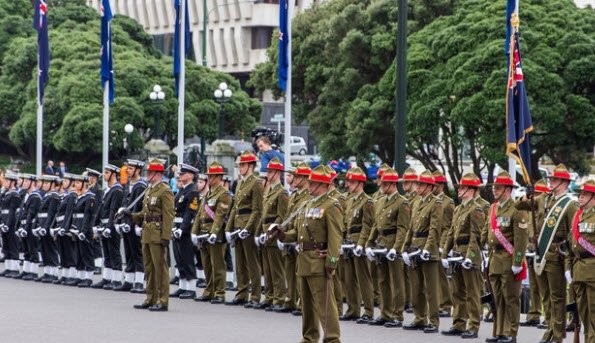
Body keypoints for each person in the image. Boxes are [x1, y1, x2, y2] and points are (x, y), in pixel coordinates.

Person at [274, 165, 342, 343]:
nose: (309, 186)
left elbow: (335, 238)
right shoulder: (308, 203)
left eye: (314, 184)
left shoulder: (331, 205)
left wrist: (331, 262)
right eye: (310, 183)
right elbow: (298, 234)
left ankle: (332, 339)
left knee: (326, 306)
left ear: (324, 185)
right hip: (303, 261)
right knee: (307, 307)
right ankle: (309, 338)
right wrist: (282, 235)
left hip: (319, 262)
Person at [534, 164, 579, 343]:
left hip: (557, 255)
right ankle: (550, 329)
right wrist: (530, 192)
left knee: (557, 296)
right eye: (551, 179)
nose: (551, 182)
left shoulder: (569, 204)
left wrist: (569, 258)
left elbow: (573, 233)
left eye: (554, 179)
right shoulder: (546, 200)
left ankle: (557, 334)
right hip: (542, 253)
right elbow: (524, 203)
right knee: (545, 296)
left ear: (564, 182)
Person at [483, 171, 529, 343]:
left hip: (509, 260)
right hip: (495, 259)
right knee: (498, 299)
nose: (495, 190)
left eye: (499, 188)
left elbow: (521, 239)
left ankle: (511, 333)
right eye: (495, 187)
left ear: (508, 190)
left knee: (511, 298)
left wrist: (517, 261)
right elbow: (488, 233)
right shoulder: (493, 208)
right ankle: (500, 331)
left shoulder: (517, 209)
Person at [440, 173, 485, 339]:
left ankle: (473, 325)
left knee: (472, 293)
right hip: (457, 253)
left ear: (472, 190)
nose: (460, 190)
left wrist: (471, 256)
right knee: (457, 291)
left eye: (464, 187)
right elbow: (451, 233)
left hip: (468, 255)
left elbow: (476, 236)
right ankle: (458, 323)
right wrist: (445, 253)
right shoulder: (459, 208)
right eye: (460, 187)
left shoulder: (476, 209)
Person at [128, 159, 175, 311]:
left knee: (160, 268)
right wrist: (131, 215)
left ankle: (162, 300)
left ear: (157, 174)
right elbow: (145, 213)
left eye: (149, 172)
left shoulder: (165, 190)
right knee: (149, 268)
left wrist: (166, 237)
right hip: (147, 233)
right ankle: (150, 297)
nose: (147, 175)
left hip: (158, 234)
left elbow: (168, 215)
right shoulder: (149, 190)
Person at [366, 167, 410, 328]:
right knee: (383, 280)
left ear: (392, 184)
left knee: (396, 282)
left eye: (384, 184)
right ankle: (385, 313)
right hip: (382, 243)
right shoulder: (380, 201)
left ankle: (397, 315)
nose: (381, 186)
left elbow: (402, 228)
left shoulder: (402, 202)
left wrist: (397, 248)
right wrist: (369, 244)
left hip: (392, 245)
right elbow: (376, 225)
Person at [401, 170, 443, 333]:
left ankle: (433, 321)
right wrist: (405, 248)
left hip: (427, 249)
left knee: (431, 288)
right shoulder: (417, 202)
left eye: (421, 184)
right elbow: (411, 228)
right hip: (414, 247)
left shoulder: (436, 203)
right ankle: (420, 318)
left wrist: (427, 249)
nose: (417, 187)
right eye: (417, 184)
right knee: (416, 286)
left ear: (429, 187)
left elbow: (434, 229)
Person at [224, 151, 263, 307]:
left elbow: (257, 210)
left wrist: (248, 227)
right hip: (238, 225)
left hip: (249, 226)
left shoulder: (257, 183)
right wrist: (229, 228)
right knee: (240, 262)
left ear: (251, 166)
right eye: (240, 165)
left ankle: (255, 296)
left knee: (252, 262)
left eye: (243, 165)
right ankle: (242, 293)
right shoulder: (240, 183)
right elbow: (235, 208)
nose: (240, 168)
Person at [192, 161, 232, 304]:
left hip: (216, 234)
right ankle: (209, 291)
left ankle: (219, 292)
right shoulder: (208, 193)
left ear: (219, 177)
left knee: (218, 265)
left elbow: (220, 215)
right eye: (209, 176)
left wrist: (214, 232)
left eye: (212, 176)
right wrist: (194, 232)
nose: (209, 178)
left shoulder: (224, 193)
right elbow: (199, 214)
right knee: (207, 265)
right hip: (204, 232)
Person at [340, 167, 375, 323]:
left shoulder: (367, 201)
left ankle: (368, 311)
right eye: (348, 181)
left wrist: (361, 244)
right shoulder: (348, 200)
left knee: (363, 279)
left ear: (360, 183)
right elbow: (344, 223)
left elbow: (367, 225)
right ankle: (353, 309)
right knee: (349, 278)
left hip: (358, 242)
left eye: (352, 182)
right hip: (348, 242)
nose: (348, 185)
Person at [255, 157, 288, 311]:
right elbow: (263, 215)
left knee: (276, 269)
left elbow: (281, 217)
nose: (268, 174)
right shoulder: (269, 191)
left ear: (277, 173)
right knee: (267, 269)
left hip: (273, 234)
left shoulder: (282, 192)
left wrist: (271, 233)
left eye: (270, 171)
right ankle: (269, 296)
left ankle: (279, 298)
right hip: (265, 232)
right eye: (267, 171)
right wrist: (259, 232)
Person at [279, 162, 311, 314]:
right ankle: (290, 299)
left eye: (297, 176)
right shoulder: (294, 195)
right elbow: (287, 216)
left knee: (300, 272)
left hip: (299, 236)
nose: (294, 179)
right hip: (289, 235)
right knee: (289, 271)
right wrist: (282, 233)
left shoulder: (309, 196)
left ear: (305, 179)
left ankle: (301, 302)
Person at [568, 179, 595, 343]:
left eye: (585, 194)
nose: (581, 196)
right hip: (578, 269)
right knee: (583, 313)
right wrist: (567, 268)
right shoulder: (578, 215)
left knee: (594, 313)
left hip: (592, 270)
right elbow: (571, 244)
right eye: (580, 193)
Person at [520, 178, 549, 328]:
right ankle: (534, 314)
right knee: (533, 284)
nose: (535, 197)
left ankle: (548, 316)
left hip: (542, 249)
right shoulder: (529, 209)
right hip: (531, 248)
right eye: (534, 194)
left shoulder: (546, 211)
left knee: (544, 285)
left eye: (538, 194)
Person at [170, 163, 201, 300]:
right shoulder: (183, 190)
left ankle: (191, 288)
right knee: (179, 258)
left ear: (190, 175)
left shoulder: (193, 191)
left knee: (187, 258)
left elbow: (190, 212)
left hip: (185, 229)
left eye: (183, 174)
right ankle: (182, 286)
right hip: (177, 227)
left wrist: (182, 229)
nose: (180, 176)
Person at [116, 159, 147, 293]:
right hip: (127, 223)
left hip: (135, 224)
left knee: (137, 253)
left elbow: (138, 207)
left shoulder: (140, 186)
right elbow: (125, 204)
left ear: (138, 170)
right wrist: (120, 221)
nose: (127, 170)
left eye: (131, 168)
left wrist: (136, 224)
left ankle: (139, 281)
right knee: (128, 252)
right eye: (127, 168)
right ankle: (129, 280)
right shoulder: (128, 184)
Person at [92, 164, 124, 290]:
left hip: (112, 225)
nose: (104, 175)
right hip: (105, 225)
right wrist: (97, 225)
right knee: (107, 252)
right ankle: (107, 278)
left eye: (106, 173)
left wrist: (109, 227)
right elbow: (101, 209)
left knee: (114, 252)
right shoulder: (108, 190)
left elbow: (113, 210)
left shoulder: (117, 190)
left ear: (113, 174)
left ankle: (116, 280)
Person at [68, 174, 97, 288]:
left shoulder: (90, 197)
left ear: (85, 184)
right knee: (78, 253)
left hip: (85, 229)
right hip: (77, 228)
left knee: (86, 253)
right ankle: (80, 277)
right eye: (75, 182)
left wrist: (83, 230)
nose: (76, 185)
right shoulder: (78, 196)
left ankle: (88, 278)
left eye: (79, 183)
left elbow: (87, 215)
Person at [433, 170, 455, 318]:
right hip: (430, 240)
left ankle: (446, 305)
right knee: (433, 275)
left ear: (440, 185)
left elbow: (448, 227)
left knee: (441, 275)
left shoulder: (448, 203)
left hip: (440, 241)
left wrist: (444, 245)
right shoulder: (432, 201)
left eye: (433, 184)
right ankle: (436, 302)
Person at [52, 173, 78, 285]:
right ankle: (65, 275)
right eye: (64, 181)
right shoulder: (66, 195)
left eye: (67, 181)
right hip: (61, 226)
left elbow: (69, 213)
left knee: (69, 252)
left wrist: (65, 228)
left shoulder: (72, 196)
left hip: (66, 228)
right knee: (63, 252)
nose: (64, 183)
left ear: (72, 182)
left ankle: (72, 276)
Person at [35, 175, 61, 282]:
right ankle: (47, 272)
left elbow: (51, 214)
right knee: (44, 249)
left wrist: (46, 227)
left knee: (51, 249)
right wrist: (38, 226)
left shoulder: (54, 196)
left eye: (46, 183)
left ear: (53, 185)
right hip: (43, 225)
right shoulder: (46, 196)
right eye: (44, 183)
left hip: (48, 226)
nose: (44, 185)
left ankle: (53, 274)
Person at [0, 172, 22, 277]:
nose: (5, 182)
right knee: (6, 245)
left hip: (12, 223)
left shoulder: (15, 194)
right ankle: (8, 268)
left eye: (7, 181)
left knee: (13, 245)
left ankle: (15, 269)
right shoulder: (4, 193)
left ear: (13, 183)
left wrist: (7, 224)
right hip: (4, 222)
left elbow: (12, 211)